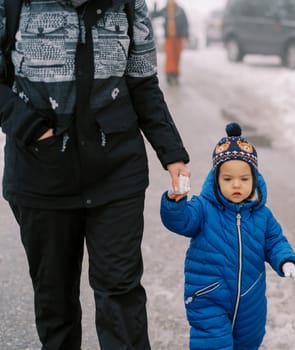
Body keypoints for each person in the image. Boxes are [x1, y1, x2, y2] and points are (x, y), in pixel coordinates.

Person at [0, 0, 190, 348]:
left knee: (120, 293)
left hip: (116, 172)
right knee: (55, 300)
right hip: (41, 174)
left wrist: (172, 153)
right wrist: (29, 127)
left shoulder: (129, 5)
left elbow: (143, 81)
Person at [160, 122, 295, 349]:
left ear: (254, 180)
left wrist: (286, 260)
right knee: (213, 344)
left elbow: (274, 241)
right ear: (216, 180)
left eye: (244, 179)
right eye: (228, 179)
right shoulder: (203, 208)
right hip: (209, 297)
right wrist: (174, 201)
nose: (236, 185)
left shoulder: (262, 215)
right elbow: (180, 221)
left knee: (248, 342)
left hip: (251, 299)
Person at [152, 0, 189, 85]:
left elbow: (185, 23)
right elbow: (154, 15)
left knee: (176, 57)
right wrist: (155, 5)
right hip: (169, 38)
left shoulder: (180, 10)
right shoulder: (165, 10)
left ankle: (175, 75)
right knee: (170, 56)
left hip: (178, 37)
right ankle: (170, 74)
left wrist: (185, 35)